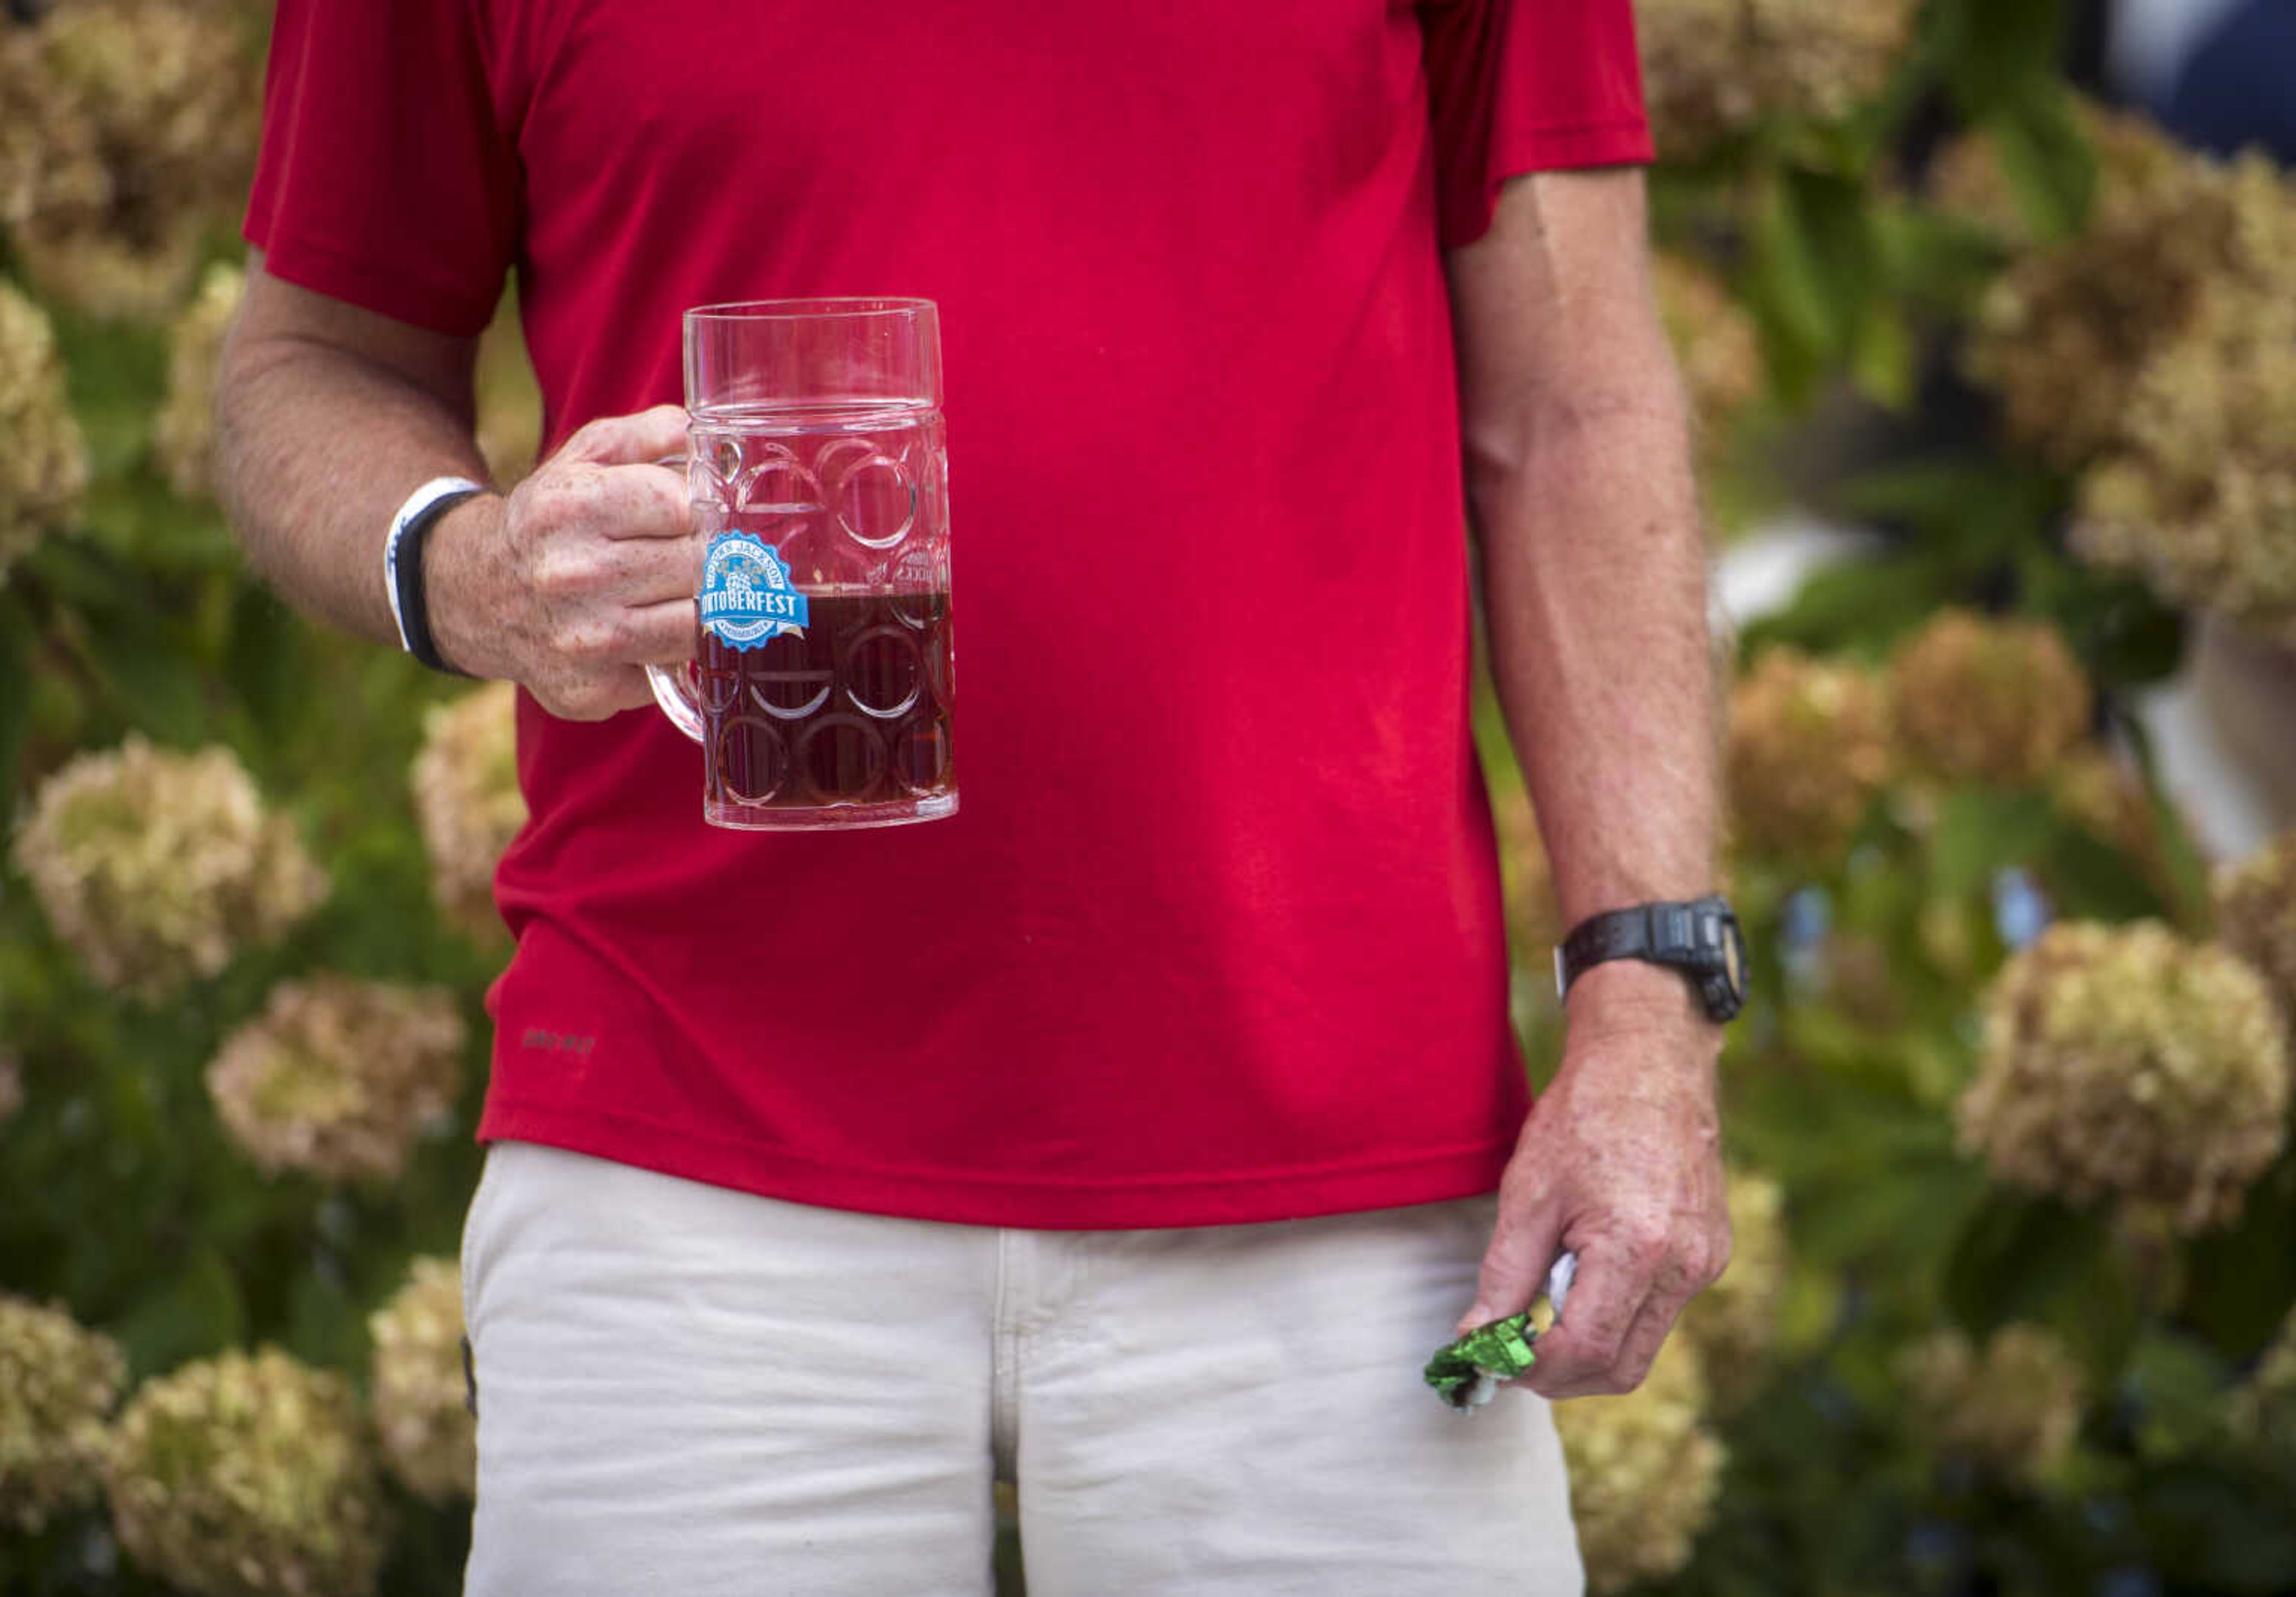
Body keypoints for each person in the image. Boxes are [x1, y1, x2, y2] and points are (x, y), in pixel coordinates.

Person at [219, 1, 1733, 1590]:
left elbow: (1573, 406)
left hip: (1346, 1183)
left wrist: (1650, 1000)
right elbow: (309, 362)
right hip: (688, 1161)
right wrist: (469, 574)